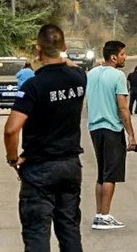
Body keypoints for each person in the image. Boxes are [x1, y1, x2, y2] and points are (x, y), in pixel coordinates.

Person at [5, 24, 88, 251]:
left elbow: (12, 129)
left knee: (37, 231)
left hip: (40, 167)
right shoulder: (79, 78)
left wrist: (13, 158)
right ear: (65, 47)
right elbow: (71, 65)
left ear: (37, 49)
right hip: (70, 165)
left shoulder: (34, 85)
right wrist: (62, 55)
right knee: (69, 228)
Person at [85, 40, 137, 230]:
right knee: (110, 175)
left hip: (94, 128)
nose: (125, 57)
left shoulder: (90, 74)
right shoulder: (118, 76)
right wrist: (131, 135)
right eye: (123, 54)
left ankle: (100, 213)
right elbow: (123, 108)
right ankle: (104, 216)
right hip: (112, 129)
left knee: (101, 173)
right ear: (114, 57)